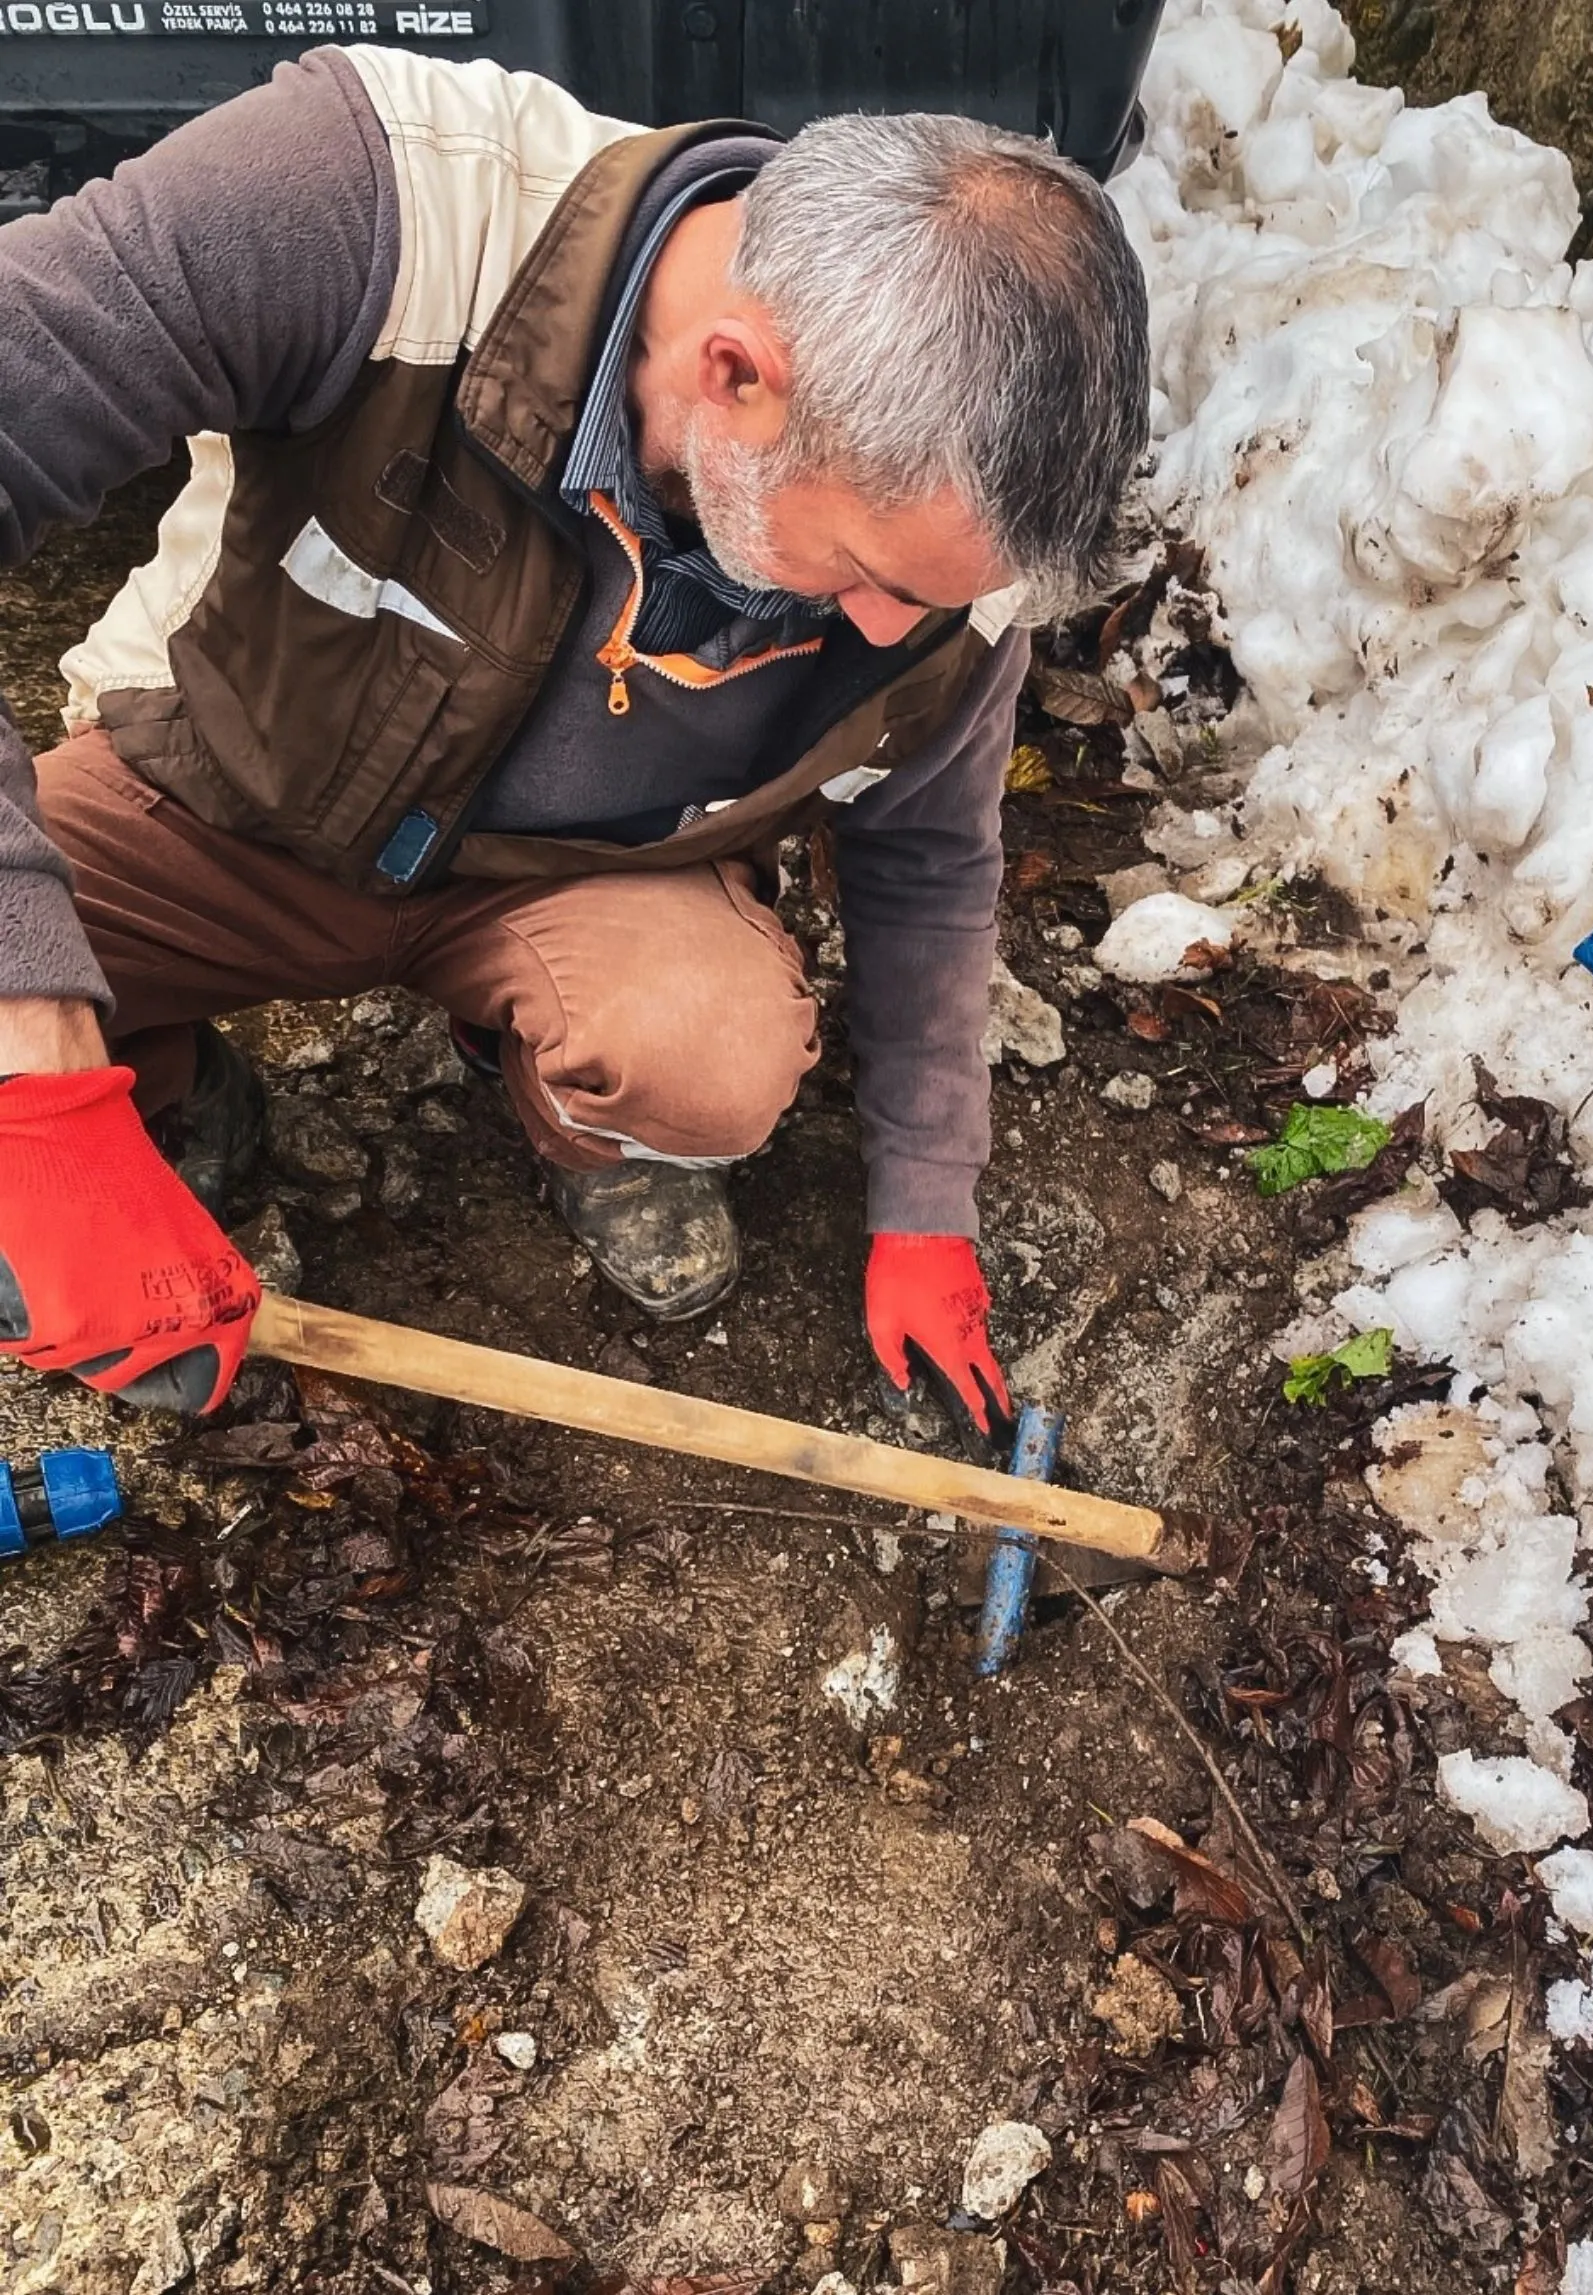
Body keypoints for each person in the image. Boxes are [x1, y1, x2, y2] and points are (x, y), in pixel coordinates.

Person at [0, 45, 1151, 1428]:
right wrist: (39, 1071)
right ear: (739, 376)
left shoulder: (937, 557)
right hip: (223, 788)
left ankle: (562, 1093)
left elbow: (929, 857)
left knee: (713, 1054)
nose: (891, 628)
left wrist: (926, 1204)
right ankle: (165, 1092)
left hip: (570, 874)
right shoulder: (372, 203)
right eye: (868, 572)